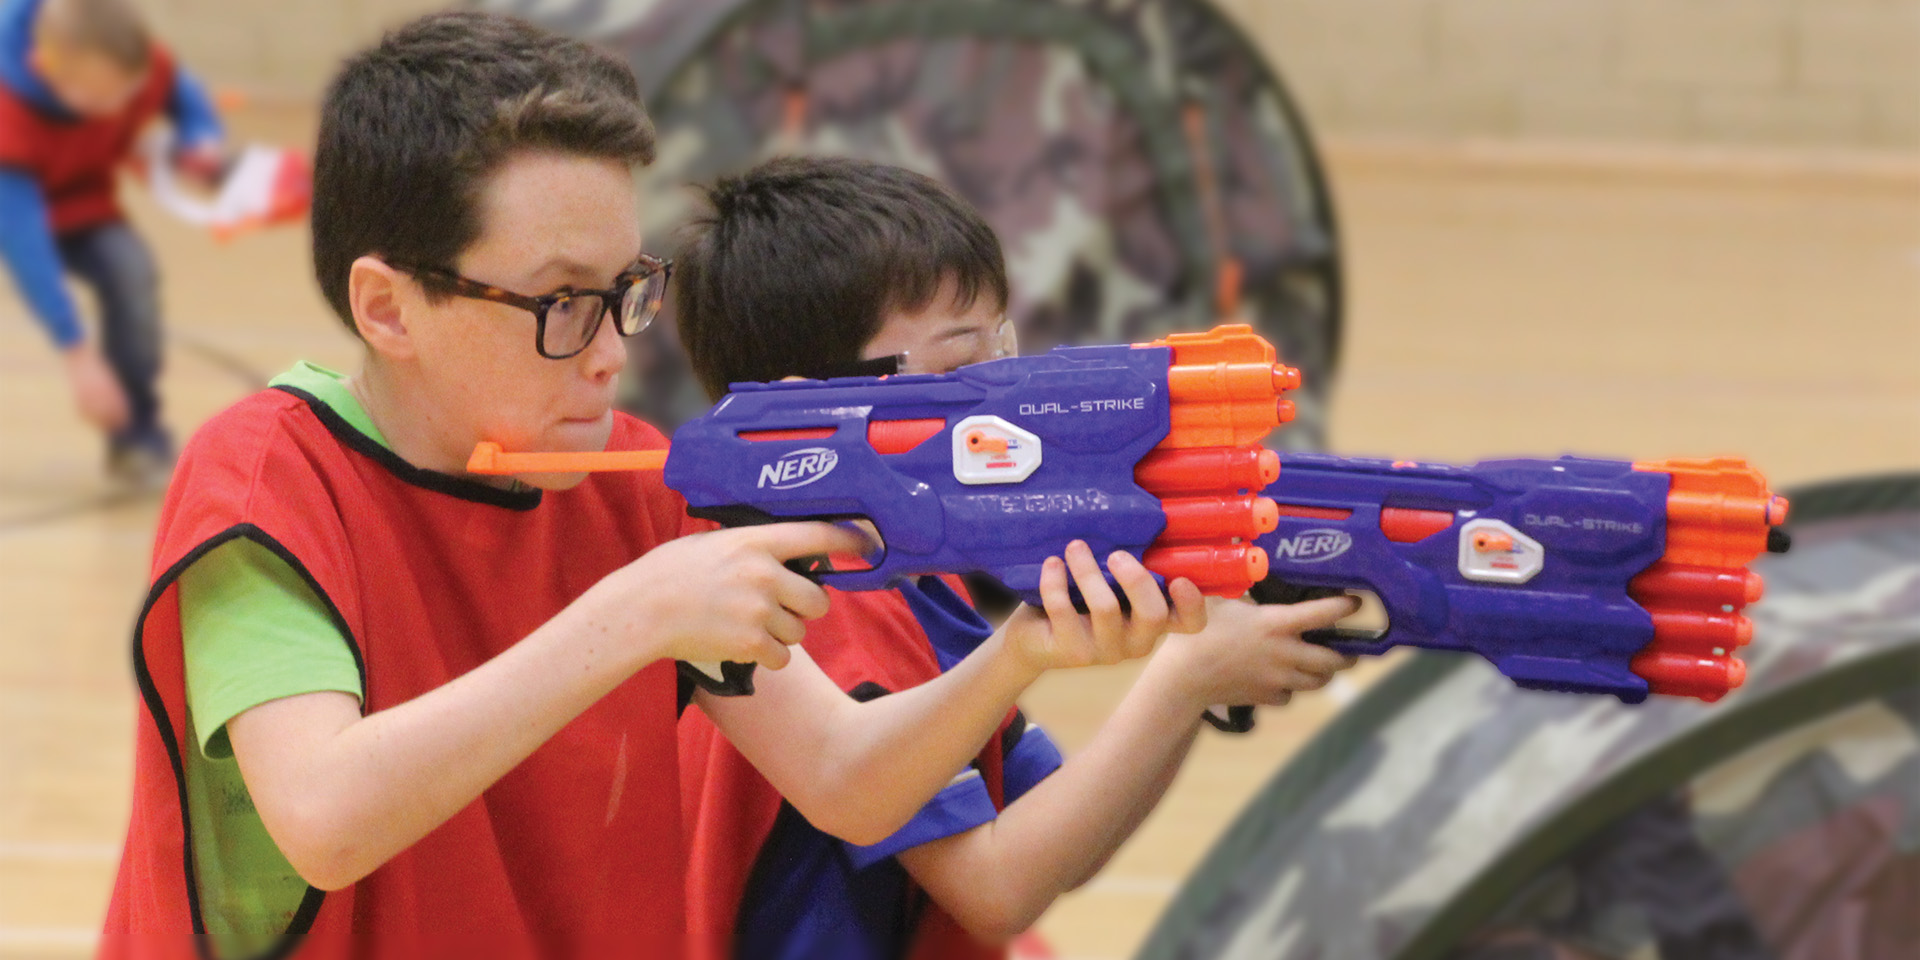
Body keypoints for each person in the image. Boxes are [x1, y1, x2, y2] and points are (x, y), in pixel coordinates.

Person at [97, 14, 1206, 960]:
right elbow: (326, 817)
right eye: (560, 301)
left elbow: (848, 783)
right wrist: (632, 616)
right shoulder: (263, 479)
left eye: (625, 289)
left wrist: (1021, 656)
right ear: (389, 309)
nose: (609, 350)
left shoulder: (636, 487)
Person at [673, 155, 1360, 960]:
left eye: (1002, 346)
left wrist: (1189, 685)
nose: (1003, 390)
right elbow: (994, 887)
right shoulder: (829, 607)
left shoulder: (910, 571)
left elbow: (1051, 827)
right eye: (962, 368)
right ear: (811, 407)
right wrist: (1185, 676)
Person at [0, 0, 224, 484]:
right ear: (45, 70)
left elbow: (179, 92)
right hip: (17, 209)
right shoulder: (9, 109)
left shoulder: (126, 61)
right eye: (101, 103)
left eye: (130, 95)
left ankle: (135, 435)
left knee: (132, 274)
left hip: (83, 202)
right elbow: (24, 242)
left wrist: (200, 135)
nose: (119, 113)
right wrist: (76, 353)